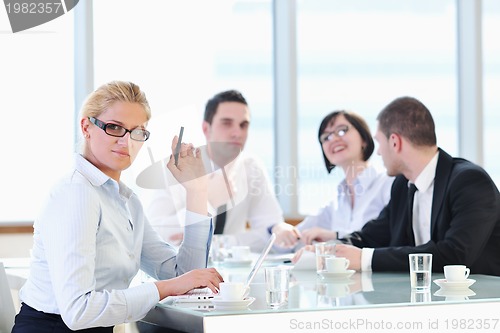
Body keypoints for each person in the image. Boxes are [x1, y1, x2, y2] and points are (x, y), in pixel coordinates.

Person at [12, 81, 223, 333]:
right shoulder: (77, 193)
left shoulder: (126, 200)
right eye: (114, 128)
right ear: (86, 127)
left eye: (137, 132)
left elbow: (186, 277)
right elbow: (78, 311)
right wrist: (163, 289)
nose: (127, 142)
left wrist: (196, 190)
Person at [297, 96, 500, 275]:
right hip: (428, 298)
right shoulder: (403, 185)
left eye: (379, 142)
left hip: (480, 301)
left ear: (395, 142)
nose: (378, 152)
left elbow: (454, 255)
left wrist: (365, 259)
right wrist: (331, 249)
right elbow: (372, 236)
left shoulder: (469, 181)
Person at [146, 90, 294, 252]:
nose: (237, 133)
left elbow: (271, 231)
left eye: (243, 125)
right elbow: (158, 234)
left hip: (232, 271)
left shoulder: (251, 168)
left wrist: (220, 243)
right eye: (227, 123)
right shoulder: (175, 167)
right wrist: (207, 201)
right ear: (206, 128)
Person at [274, 110, 394, 250]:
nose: (334, 139)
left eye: (342, 131)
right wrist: (280, 229)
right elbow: (290, 241)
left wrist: (334, 236)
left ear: (364, 139)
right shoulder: (335, 203)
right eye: (326, 137)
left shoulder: (389, 184)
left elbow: (388, 237)